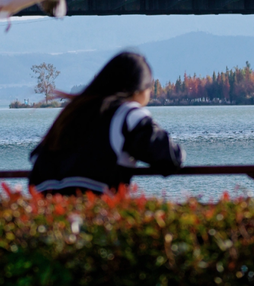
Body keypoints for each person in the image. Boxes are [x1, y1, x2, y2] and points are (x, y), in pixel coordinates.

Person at [29, 51, 183, 194]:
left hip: (44, 213)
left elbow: (36, 159)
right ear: (140, 89)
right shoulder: (127, 113)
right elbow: (171, 158)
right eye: (150, 87)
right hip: (94, 215)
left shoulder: (71, 112)